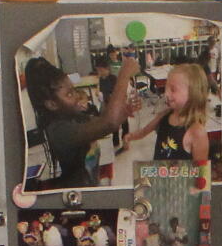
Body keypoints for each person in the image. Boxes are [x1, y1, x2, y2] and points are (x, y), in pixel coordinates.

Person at [23, 53, 137, 188]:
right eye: (69, 94)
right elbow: (109, 123)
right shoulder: (60, 130)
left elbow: (103, 121)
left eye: (74, 90)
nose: (77, 96)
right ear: (52, 104)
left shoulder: (75, 118)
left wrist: (124, 112)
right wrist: (124, 75)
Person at [130, 62, 219, 180]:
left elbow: (201, 175)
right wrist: (130, 137)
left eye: (173, 89)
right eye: (166, 87)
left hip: (180, 190)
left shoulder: (197, 132)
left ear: (193, 93)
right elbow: (145, 131)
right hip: (160, 182)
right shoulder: (165, 115)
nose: (166, 93)